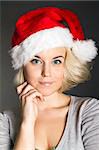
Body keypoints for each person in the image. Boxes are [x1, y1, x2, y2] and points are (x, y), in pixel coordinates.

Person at [0, 6, 99, 150]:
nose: (47, 72)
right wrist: (27, 123)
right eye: (36, 61)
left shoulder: (88, 111)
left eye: (56, 61)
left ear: (66, 64)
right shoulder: (5, 122)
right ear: (22, 64)